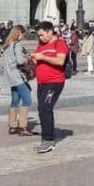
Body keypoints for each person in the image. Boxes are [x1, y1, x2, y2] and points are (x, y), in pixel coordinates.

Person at [30, 21, 68, 153]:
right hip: (41, 82)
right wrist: (33, 59)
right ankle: (47, 135)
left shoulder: (60, 44)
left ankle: (48, 139)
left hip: (55, 81)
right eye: (38, 36)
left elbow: (60, 61)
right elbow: (37, 62)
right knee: (41, 108)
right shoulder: (41, 45)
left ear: (50, 31)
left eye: (42, 35)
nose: (40, 38)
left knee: (45, 107)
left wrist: (42, 57)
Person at [2, 25, 36, 136]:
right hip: (18, 77)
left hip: (10, 77)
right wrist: (28, 58)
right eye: (23, 34)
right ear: (18, 33)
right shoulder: (16, 45)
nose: (23, 37)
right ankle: (22, 127)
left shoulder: (7, 45)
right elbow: (20, 61)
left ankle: (12, 126)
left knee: (15, 101)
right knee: (27, 100)